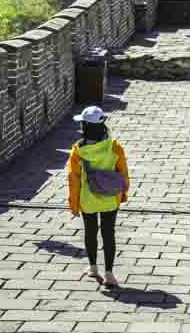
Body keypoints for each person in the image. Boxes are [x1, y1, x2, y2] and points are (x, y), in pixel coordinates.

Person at [67, 106, 129, 287]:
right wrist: (123, 194)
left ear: (85, 126)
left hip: (88, 198)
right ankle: (109, 274)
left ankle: (93, 268)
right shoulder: (115, 147)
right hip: (110, 197)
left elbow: (74, 179)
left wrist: (74, 203)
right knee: (109, 233)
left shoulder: (78, 151)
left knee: (90, 231)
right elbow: (123, 173)